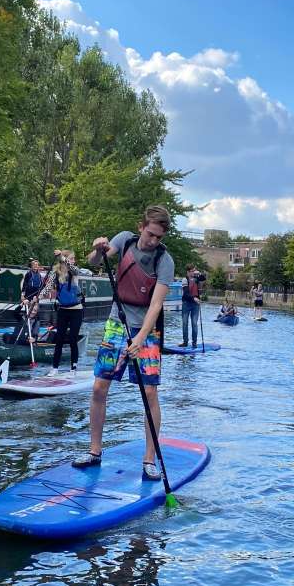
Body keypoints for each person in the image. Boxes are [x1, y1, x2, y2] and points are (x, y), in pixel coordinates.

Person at [71, 205, 175, 481]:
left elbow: (155, 306)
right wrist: (98, 248)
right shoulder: (124, 240)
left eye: (159, 238)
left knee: (150, 393)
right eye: (151, 234)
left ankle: (149, 460)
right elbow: (94, 261)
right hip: (117, 323)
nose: (153, 241)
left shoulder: (165, 261)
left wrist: (141, 339)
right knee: (99, 386)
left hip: (147, 331)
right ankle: (94, 452)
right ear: (141, 226)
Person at [46, 249, 85, 377]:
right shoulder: (55, 273)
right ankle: (55, 368)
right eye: (72, 258)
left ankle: (73, 369)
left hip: (76, 311)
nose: (74, 261)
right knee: (59, 339)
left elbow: (73, 268)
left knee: (73, 339)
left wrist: (62, 257)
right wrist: (33, 299)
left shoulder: (74, 271)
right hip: (62, 310)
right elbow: (47, 288)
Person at [179, 264, 206, 348]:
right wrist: (194, 299)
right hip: (186, 303)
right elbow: (186, 294)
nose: (194, 272)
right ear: (188, 272)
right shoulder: (184, 280)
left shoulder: (197, 278)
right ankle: (185, 342)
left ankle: (194, 343)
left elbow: (203, 278)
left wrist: (200, 273)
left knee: (194, 323)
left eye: (194, 271)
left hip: (195, 305)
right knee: (185, 323)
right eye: (192, 271)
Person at [18, 258, 45, 339]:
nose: (36, 266)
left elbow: (41, 285)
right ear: (32, 266)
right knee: (29, 312)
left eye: (37, 265)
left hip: (36, 296)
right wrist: (23, 295)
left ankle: (35, 330)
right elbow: (24, 285)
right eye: (34, 265)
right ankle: (26, 327)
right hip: (29, 295)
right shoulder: (28, 274)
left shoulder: (39, 275)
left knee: (35, 311)